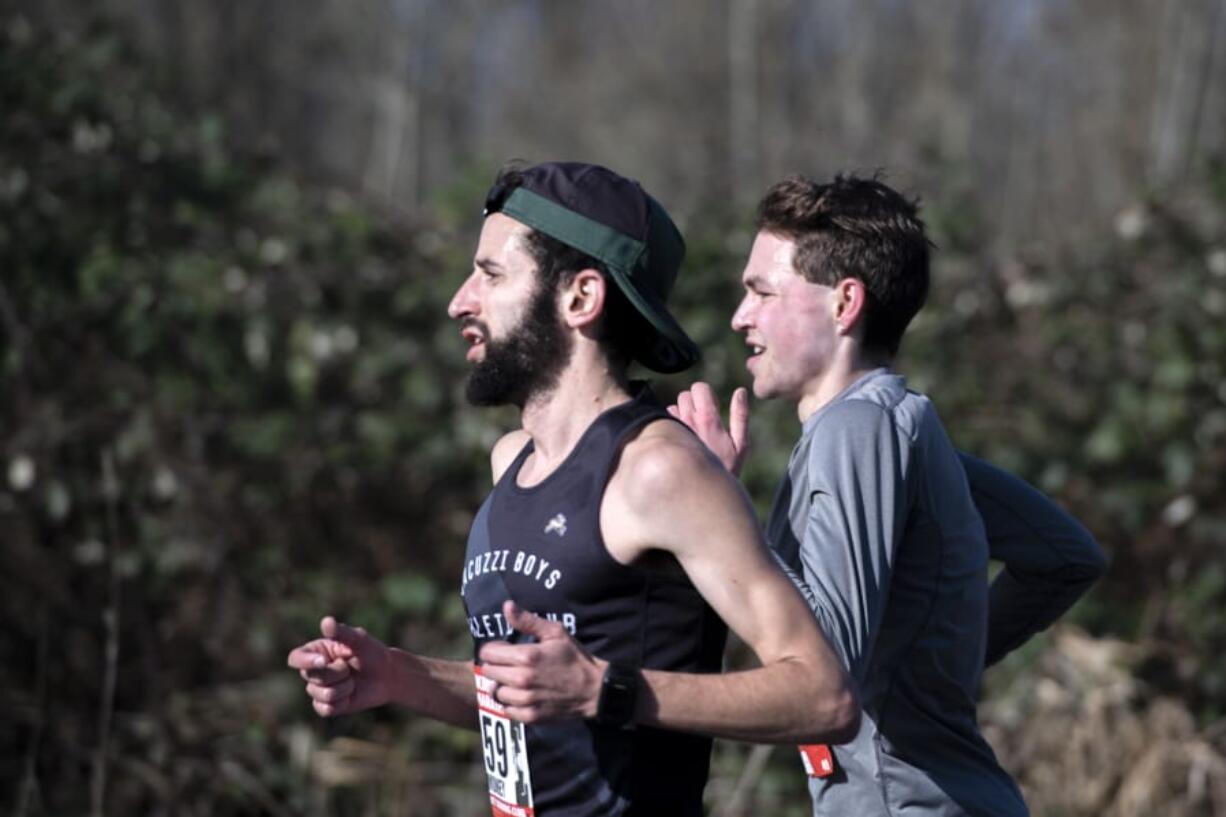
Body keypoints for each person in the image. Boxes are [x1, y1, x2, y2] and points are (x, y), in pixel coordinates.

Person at [286, 162, 859, 817]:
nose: (460, 300)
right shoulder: (512, 463)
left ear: (581, 298)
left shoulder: (656, 470)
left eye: (492, 274)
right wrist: (395, 674)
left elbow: (824, 696)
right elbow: (535, 693)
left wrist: (607, 689)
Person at [667, 173, 1108, 816]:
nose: (741, 317)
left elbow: (822, 669)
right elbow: (1066, 556)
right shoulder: (902, 430)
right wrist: (934, 670)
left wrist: (713, 502)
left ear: (845, 304)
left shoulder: (858, 426)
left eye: (762, 291)